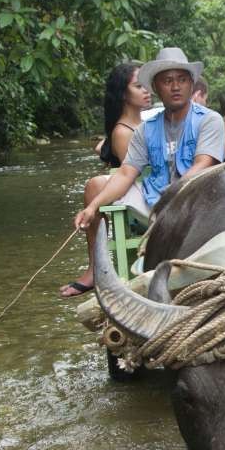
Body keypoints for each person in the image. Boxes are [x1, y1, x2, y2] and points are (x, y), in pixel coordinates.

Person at [72, 47, 225, 272]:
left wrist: (173, 194)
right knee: (101, 188)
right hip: (154, 199)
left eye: (182, 80)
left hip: (196, 200)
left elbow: (203, 164)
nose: (175, 86)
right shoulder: (146, 129)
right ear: (155, 87)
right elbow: (126, 173)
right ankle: (101, 270)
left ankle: (157, 258)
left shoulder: (210, 120)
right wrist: (93, 207)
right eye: (167, 81)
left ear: (191, 84)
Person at [60, 62, 152, 297]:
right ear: (123, 93)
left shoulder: (145, 122)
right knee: (95, 185)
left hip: (153, 190)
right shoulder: (123, 131)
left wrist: (104, 146)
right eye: (138, 86)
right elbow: (133, 172)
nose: (146, 90)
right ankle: (94, 268)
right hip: (142, 196)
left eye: (147, 85)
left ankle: (94, 269)